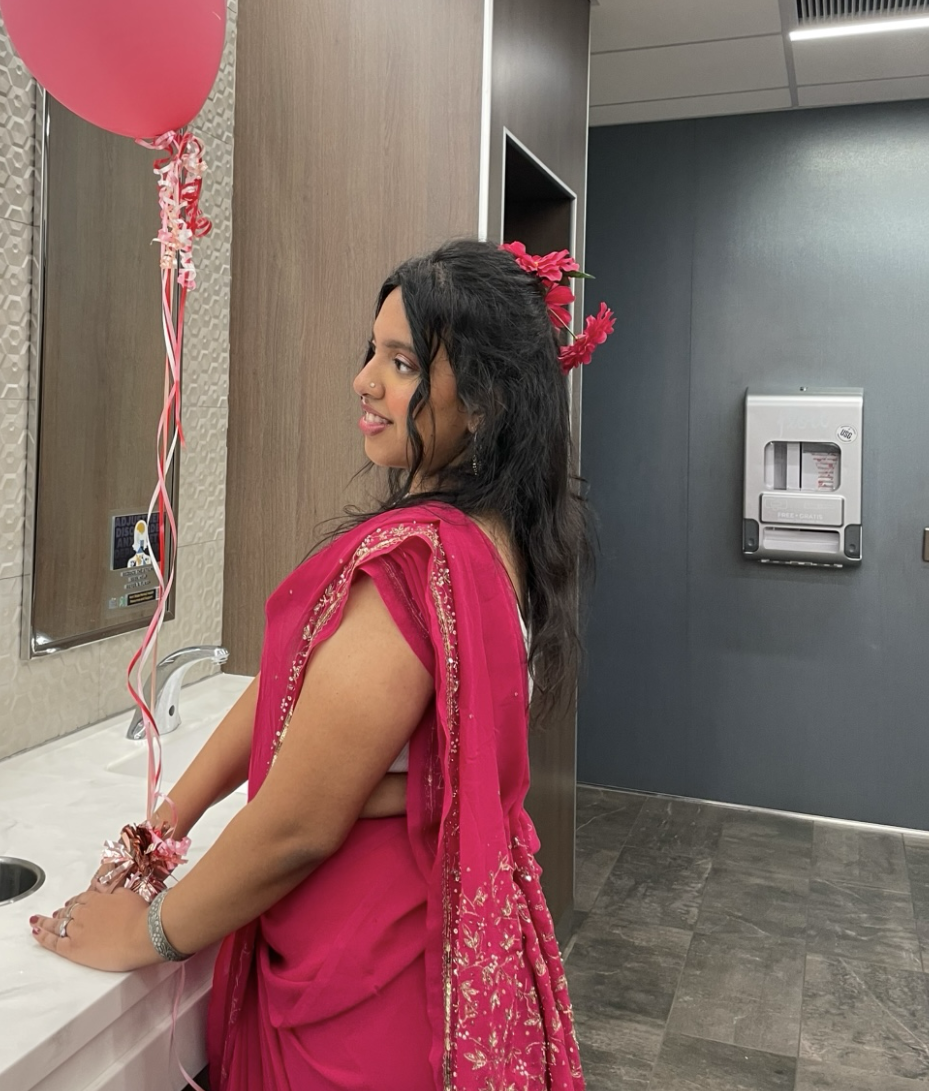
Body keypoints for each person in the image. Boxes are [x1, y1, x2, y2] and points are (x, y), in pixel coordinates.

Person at [32, 238, 606, 1090]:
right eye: (373, 351)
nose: (364, 381)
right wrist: (169, 820)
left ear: (483, 403)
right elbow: (298, 691)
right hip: (412, 953)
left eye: (402, 363)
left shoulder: (416, 565)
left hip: (362, 991)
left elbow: (298, 825)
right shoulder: (493, 542)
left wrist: (147, 933)